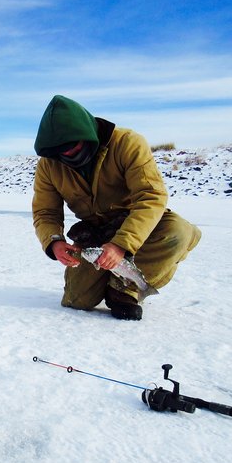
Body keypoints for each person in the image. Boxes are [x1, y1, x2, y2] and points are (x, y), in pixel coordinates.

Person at [31, 95, 201, 320]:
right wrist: (54, 242)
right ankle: (109, 278)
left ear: (88, 133)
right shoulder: (49, 164)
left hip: (136, 226)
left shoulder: (127, 143)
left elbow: (151, 197)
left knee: (177, 232)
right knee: (77, 301)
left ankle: (124, 290)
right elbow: (46, 212)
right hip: (94, 233)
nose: (68, 155)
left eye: (74, 147)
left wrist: (121, 245)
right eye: (61, 153)